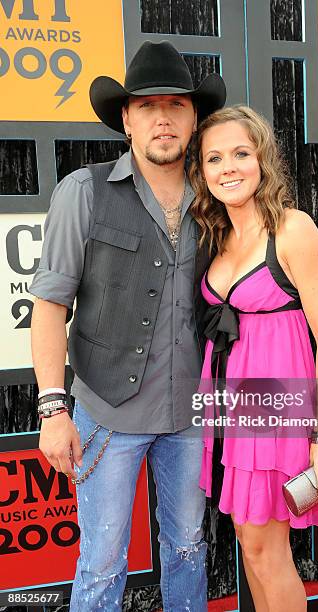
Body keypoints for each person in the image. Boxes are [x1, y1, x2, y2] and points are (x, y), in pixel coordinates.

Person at [29, 41, 226, 612]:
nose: (162, 117)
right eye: (146, 106)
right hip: (105, 414)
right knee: (102, 560)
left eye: (176, 105)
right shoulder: (83, 191)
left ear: (194, 119)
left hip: (189, 413)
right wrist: (51, 407)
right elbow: (48, 306)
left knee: (189, 546)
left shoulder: (218, 197)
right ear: (126, 119)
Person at [189, 105, 318, 612]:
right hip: (229, 410)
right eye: (214, 158)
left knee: (265, 550)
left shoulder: (292, 230)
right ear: (203, 171)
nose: (228, 167)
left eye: (240, 153)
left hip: (278, 412)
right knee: (250, 543)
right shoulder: (216, 238)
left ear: (263, 159)